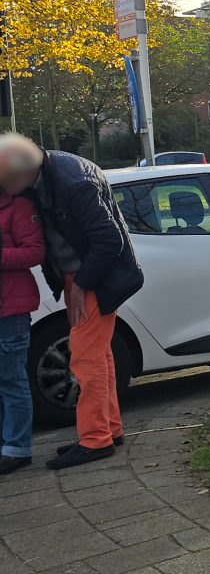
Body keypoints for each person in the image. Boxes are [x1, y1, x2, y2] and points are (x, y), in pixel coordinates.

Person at [0, 135, 143, 469]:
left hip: (95, 277)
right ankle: (108, 430)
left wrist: (80, 284)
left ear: (20, 174)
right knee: (100, 355)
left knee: (85, 358)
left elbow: (108, 240)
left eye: (4, 183)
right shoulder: (46, 170)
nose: (4, 190)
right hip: (84, 275)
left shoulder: (72, 181)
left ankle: (95, 441)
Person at [0, 174, 45, 475]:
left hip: (10, 309)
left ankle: (17, 449)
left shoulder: (18, 207)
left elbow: (35, 252)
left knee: (11, 380)